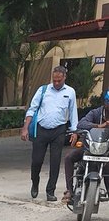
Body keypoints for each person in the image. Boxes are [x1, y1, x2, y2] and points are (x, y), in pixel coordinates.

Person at [21, 65, 78, 202]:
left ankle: (50, 191)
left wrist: (74, 131)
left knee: (55, 162)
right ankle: (35, 182)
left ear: (64, 77)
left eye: (59, 80)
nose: (56, 83)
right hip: (41, 130)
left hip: (59, 130)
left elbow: (73, 113)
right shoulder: (43, 90)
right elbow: (32, 109)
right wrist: (25, 128)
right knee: (36, 161)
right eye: (54, 80)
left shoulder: (70, 92)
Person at [62, 90, 109, 203]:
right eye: (108, 102)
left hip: (106, 151)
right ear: (105, 102)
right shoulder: (96, 113)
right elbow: (82, 123)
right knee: (69, 158)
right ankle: (69, 190)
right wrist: (98, 125)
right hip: (90, 148)